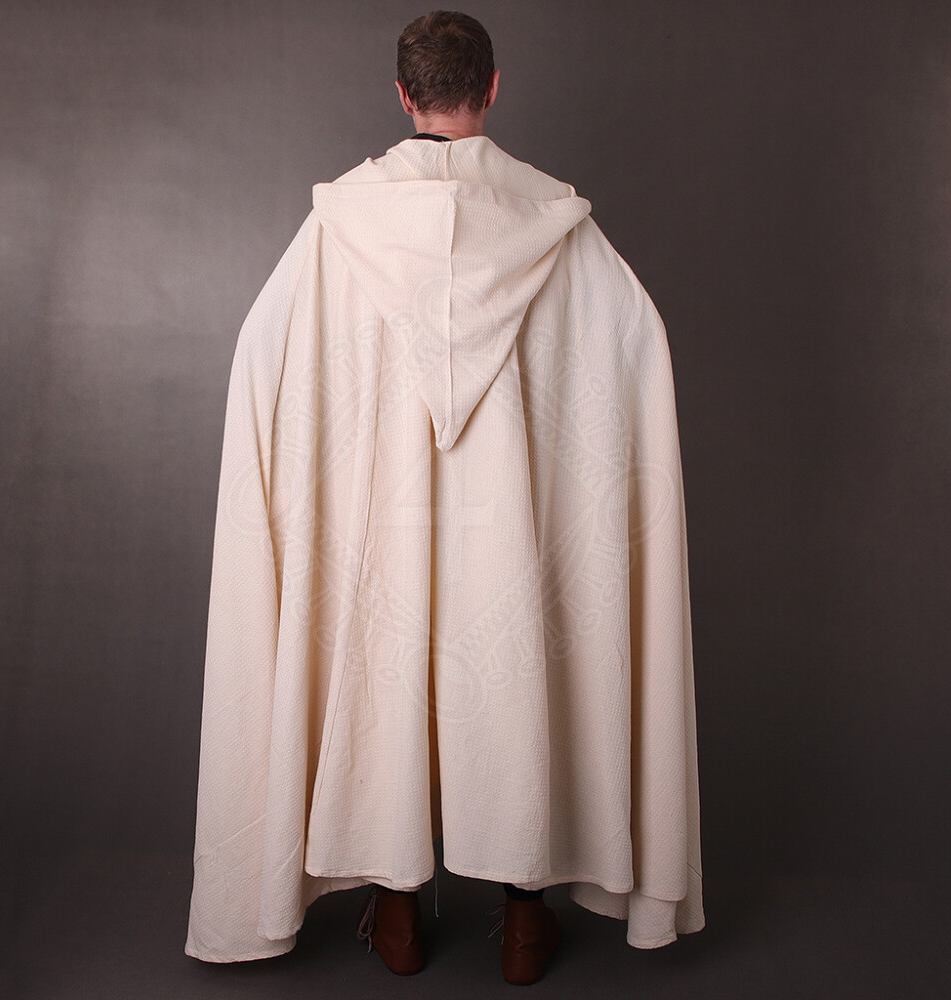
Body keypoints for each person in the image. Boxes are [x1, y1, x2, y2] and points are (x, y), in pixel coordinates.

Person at [185, 9, 703, 987]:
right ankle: (523, 928)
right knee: (516, 682)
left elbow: (265, 358)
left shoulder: (339, 230)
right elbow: (634, 351)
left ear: (403, 94)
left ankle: (397, 921)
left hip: (383, 532)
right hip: (513, 539)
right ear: (492, 87)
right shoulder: (559, 230)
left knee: (387, 679)